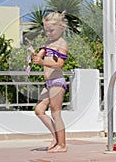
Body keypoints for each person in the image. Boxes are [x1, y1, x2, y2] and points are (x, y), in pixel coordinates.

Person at [32, 11, 68, 153]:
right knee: (39, 110)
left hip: (57, 82)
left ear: (61, 28)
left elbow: (59, 63)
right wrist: (35, 56)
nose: (49, 33)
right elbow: (39, 55)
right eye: (47, 30)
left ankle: (62, 145)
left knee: (55, 113)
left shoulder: (61, 43)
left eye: (52, 30)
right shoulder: (47, 43)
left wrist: (41, 61)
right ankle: (55, 137)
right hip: (48, 83)